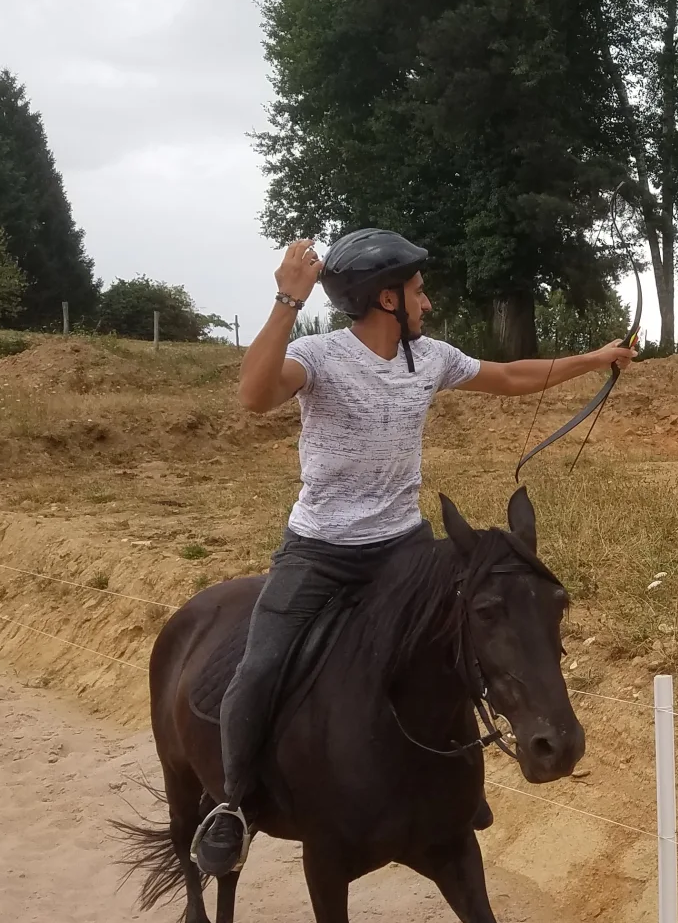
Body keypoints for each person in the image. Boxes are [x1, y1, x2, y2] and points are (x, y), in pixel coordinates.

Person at [190, 229, 637, 877]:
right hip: (320, 551)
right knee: (259, 666)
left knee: (457, 647)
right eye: (419, 290)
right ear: (385, 298)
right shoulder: (319, 355)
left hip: (402, 545)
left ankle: (455, 789)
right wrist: (287, 300)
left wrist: (596, 359)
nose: (427, 303)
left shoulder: (428, 360)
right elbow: (254, 395)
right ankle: (231, 805)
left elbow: (511, 376)